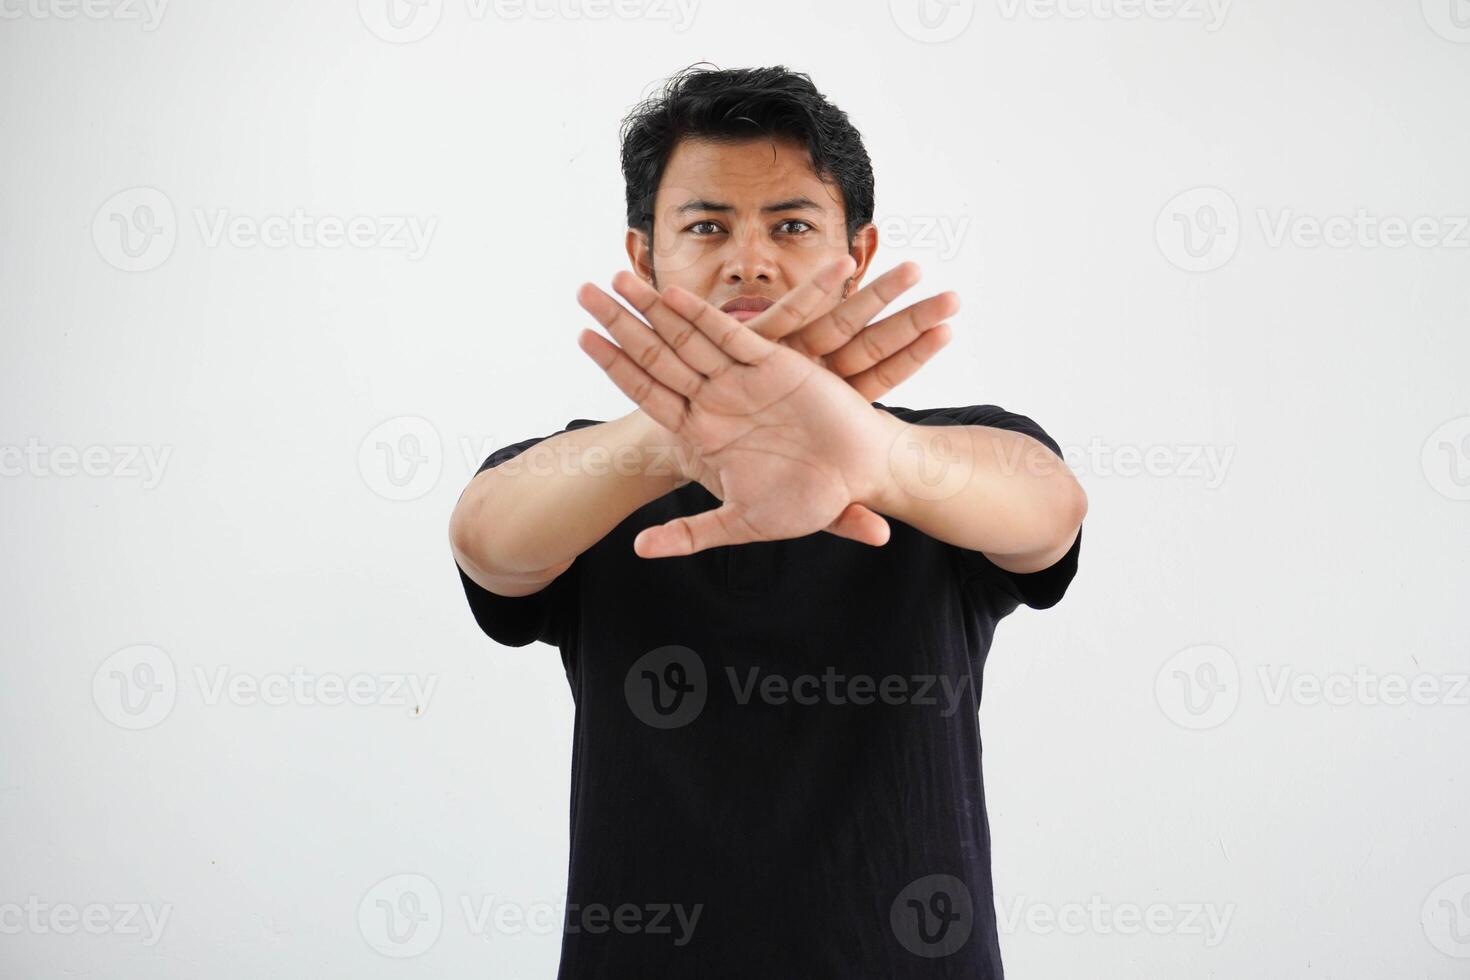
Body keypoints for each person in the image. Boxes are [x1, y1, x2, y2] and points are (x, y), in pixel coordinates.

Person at [448, 64, 1087, 979]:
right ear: (645, 257)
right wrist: (672, 438)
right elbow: (486, 541)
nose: (749, 260)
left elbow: (1049, 511)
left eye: (791, 224)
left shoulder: (950, 457)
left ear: (856, 255)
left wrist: (875, 456)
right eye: (707, 226)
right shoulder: (594, 473)